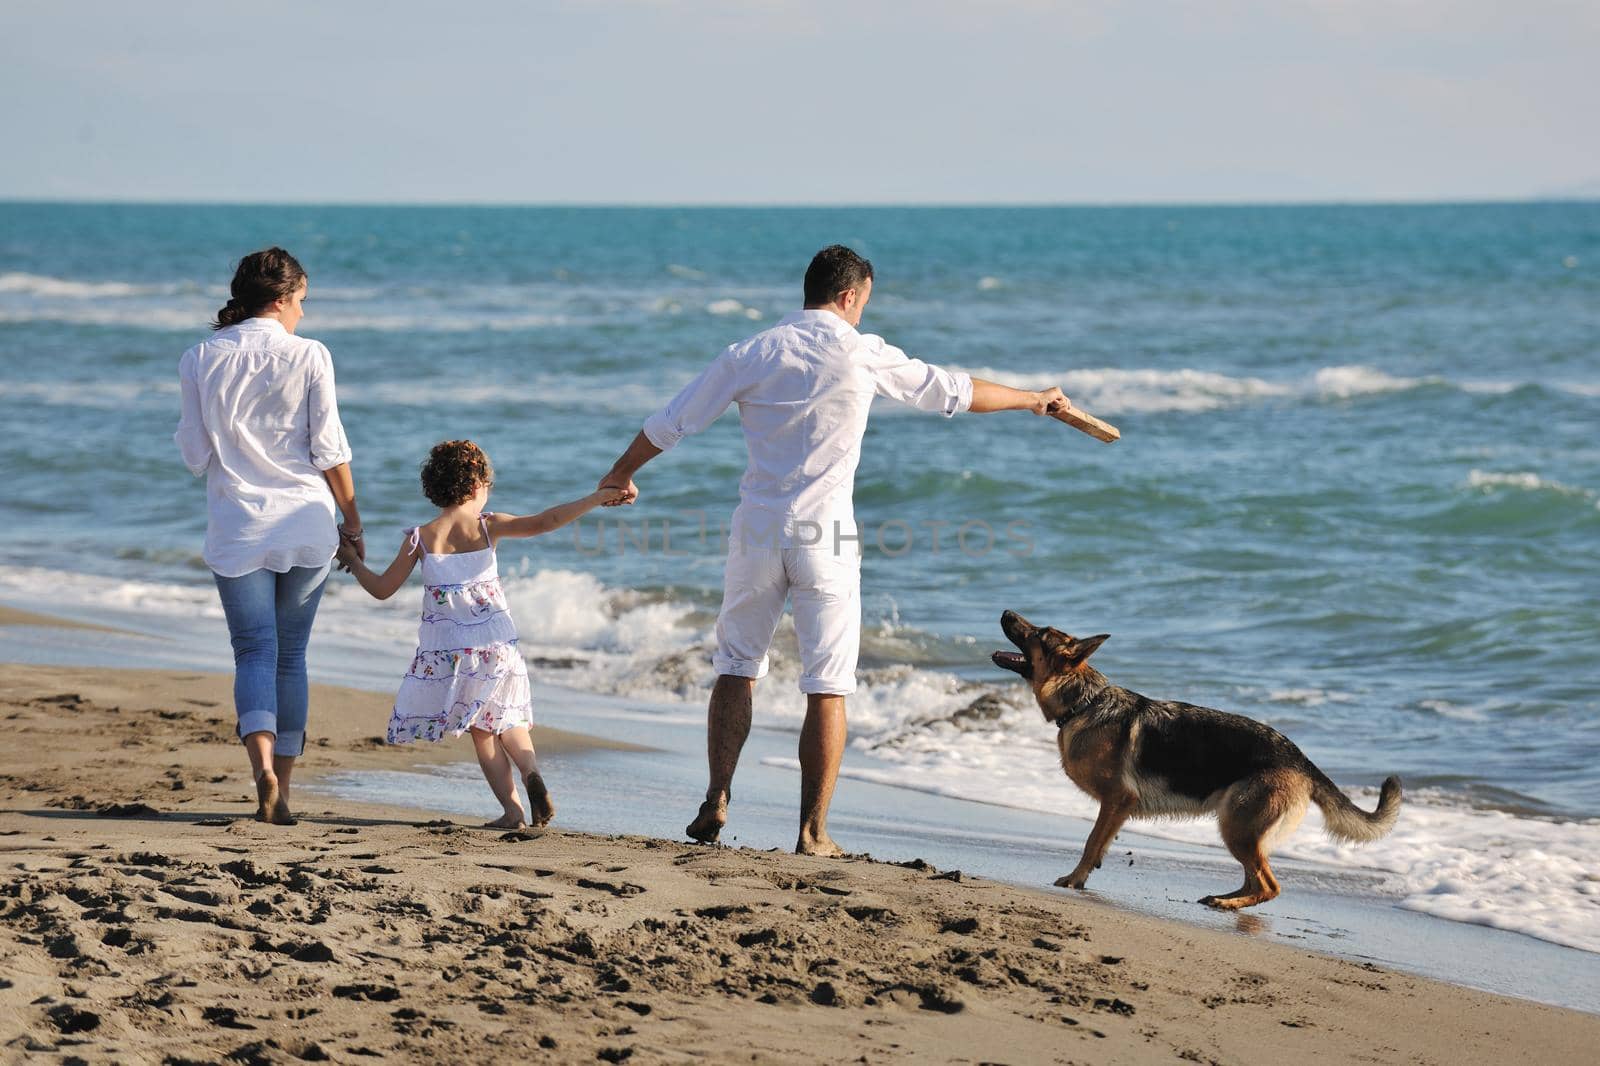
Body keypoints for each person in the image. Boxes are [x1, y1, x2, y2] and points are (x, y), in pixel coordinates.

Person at [597, 244, 1070, 855]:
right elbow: (954, 391)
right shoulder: (862, 352)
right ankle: (812, 832)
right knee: (827, 684)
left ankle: (717, 797)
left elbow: (672, 421)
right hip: (827, 534)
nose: (861, 314)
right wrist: (1034, 397)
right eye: (863, 303)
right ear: (849, 296)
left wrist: (621, 473)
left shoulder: (752, 351)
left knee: (737, 666)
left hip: (758, 529)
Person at [335, 440, 625, 829]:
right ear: (476, 487)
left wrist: (353, 561)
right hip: (499, 645)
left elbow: (384, 588)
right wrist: (595, 498)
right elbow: (545, 521)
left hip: (456, 655)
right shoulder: (489, 527)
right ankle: (531, 771)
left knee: (483, 734)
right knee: (512, 723)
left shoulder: (422, 538)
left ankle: (513, 811)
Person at [176, 247, 363, 825]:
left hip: (238, 526)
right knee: (292, 655)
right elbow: (329, 448)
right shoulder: (310, 355)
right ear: (280, 299)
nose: (303, 314)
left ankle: (259, 772)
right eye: (301, 302)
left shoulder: (199, 357)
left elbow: (194, 455)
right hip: (305, 522)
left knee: (253, 651)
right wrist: (352, 522)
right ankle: (283, 787)